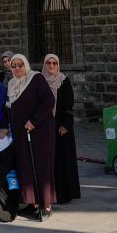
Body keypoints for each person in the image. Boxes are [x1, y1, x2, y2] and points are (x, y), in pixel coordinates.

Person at [7, 53, 56, 218]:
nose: (17, 68)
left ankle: (46, 205)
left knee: (41, 165)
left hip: (40, 131)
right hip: (21, 133)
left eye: (20, 65)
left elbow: (48, 100)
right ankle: (32, 202)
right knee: (25, 166)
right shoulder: (11, 83)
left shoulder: (36, 79)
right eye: (14, 66)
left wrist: (34, 120)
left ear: (26, 65)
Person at [42, 53, 80, 204]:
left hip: (61, 127)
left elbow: (69, 105)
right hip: (46, 125)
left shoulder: (64, 81)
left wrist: (65, 125)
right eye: (49, 63)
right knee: (49, 160)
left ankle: (65, 193)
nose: (51, 66)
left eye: (54, 63)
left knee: (63, 160)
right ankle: (50, 192)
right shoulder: (40, 81)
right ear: (44, 65)